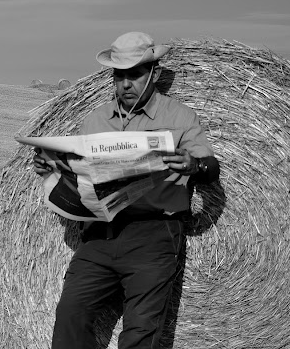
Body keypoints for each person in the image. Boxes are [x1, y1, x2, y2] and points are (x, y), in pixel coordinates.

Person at [32, 31, 220, 349]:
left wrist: (193, 165)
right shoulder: (94, 122)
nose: (125, 84)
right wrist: (53, 167)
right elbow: (82, 179)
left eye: (134, 75)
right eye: (119, 76)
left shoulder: (179, 117)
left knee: (140, 334)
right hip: (99, 237)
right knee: (69, 316)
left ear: (154, 74)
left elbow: (211, 169)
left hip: (154, 237)